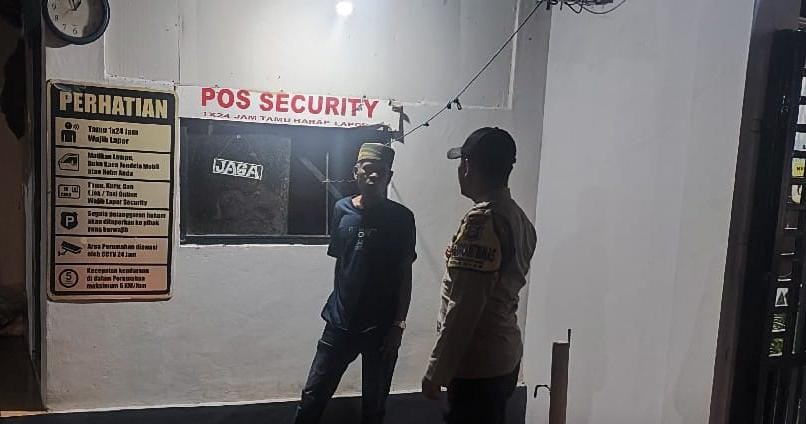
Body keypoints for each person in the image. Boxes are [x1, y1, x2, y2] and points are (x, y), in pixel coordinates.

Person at [293, 143, 416, 424]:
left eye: (381, 172)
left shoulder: (401, 218)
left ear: (389, 176)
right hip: (339, 322)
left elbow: (404, 274)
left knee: (374, 406)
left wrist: (398, 325)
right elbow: (342, 263)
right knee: (313, 396)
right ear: (355, 172)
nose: (373, 176)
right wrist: (342, 304)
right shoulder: (342, 209)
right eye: (368, 170)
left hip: (381, 329)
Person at [421, 128, 537, 424]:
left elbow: (465, 307)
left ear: (468, 166)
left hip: (478, 362)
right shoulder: (518, 217)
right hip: (503, 354)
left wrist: (437, 370)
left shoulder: (483, 221)